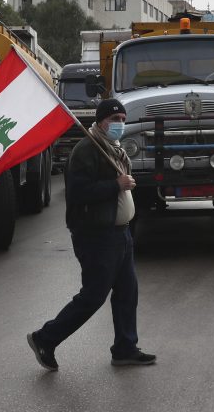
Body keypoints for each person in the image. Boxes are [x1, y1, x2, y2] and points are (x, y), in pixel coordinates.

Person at [27, 98, 156, 371]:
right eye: (114, 120)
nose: (119, 124)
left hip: (120, 234)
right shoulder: (87, 149)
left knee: (127, 292)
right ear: (100, 122)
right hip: (96, 235)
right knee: (93, 295)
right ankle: (45, 338)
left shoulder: (114, 149)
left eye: (122, 119)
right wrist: (115, 184)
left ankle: (125, 348)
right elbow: (77, 193)